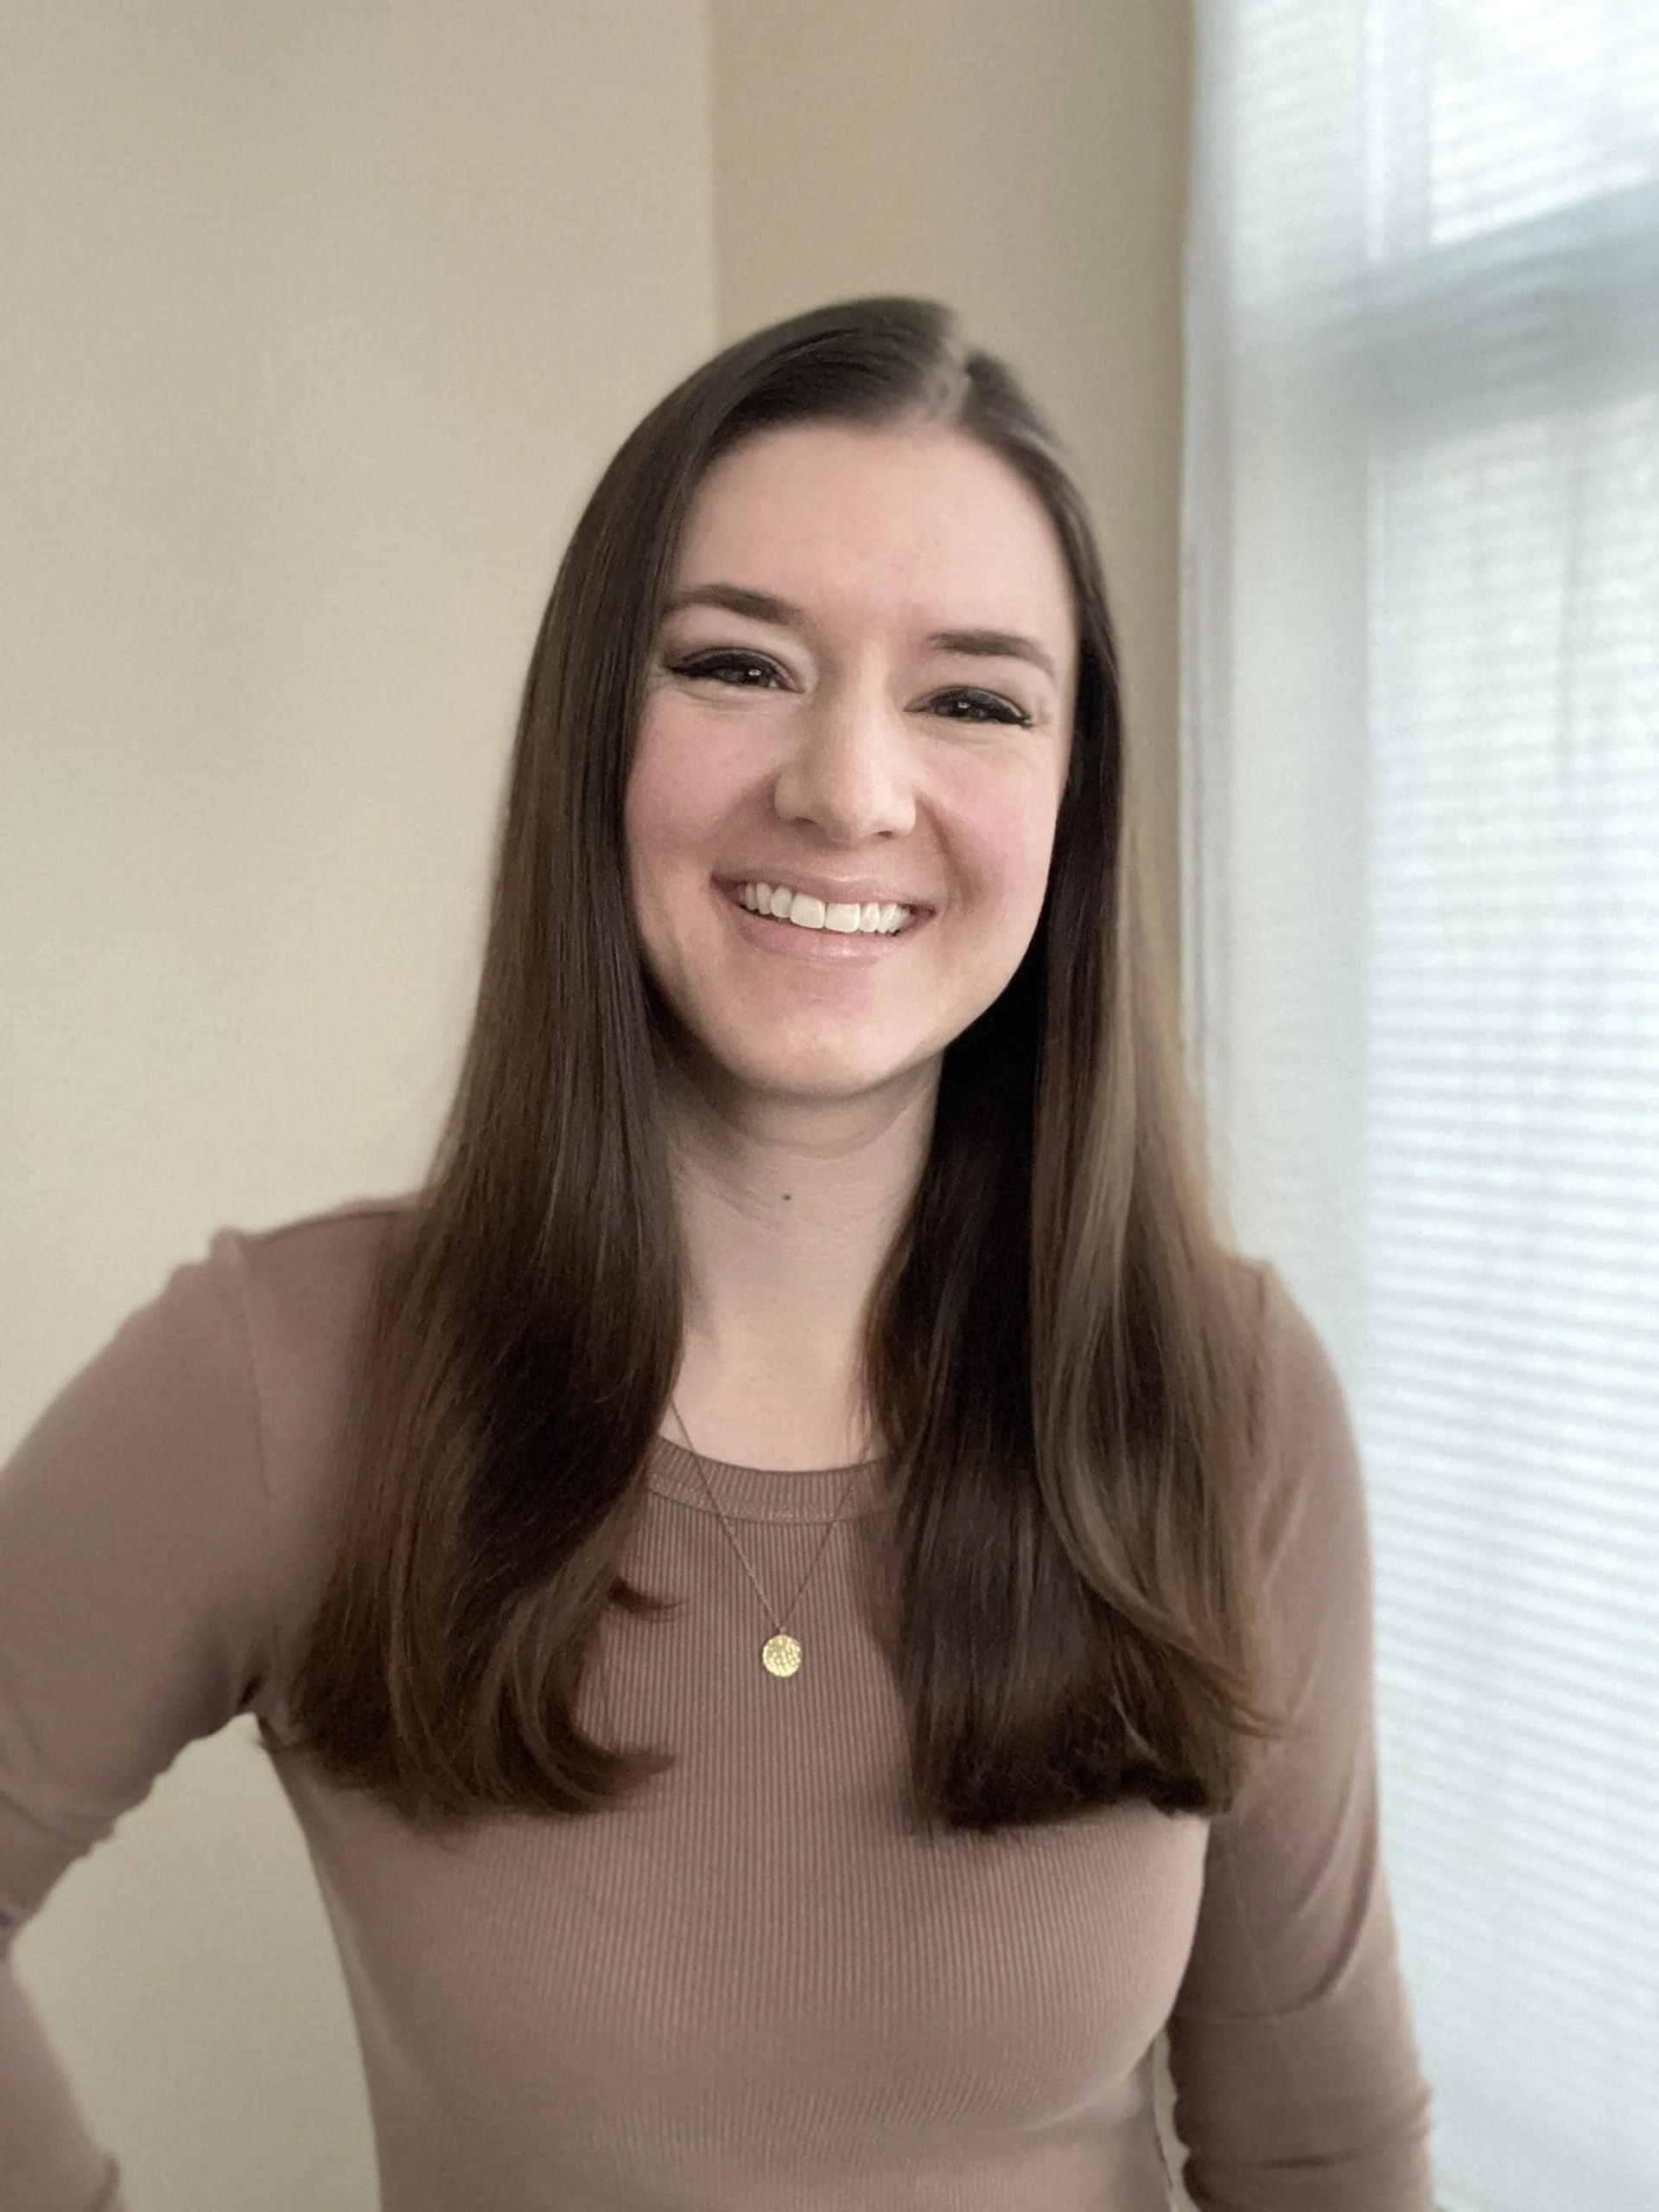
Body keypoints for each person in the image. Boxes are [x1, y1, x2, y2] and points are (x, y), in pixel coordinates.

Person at [0, 296, 1435, 2210]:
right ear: (599, 726)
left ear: (1072, 801)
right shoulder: (283, 1371)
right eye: (742, 664)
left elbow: (1320, 2144)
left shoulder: (1226, 1391)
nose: (849, 787)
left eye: (976, 694)